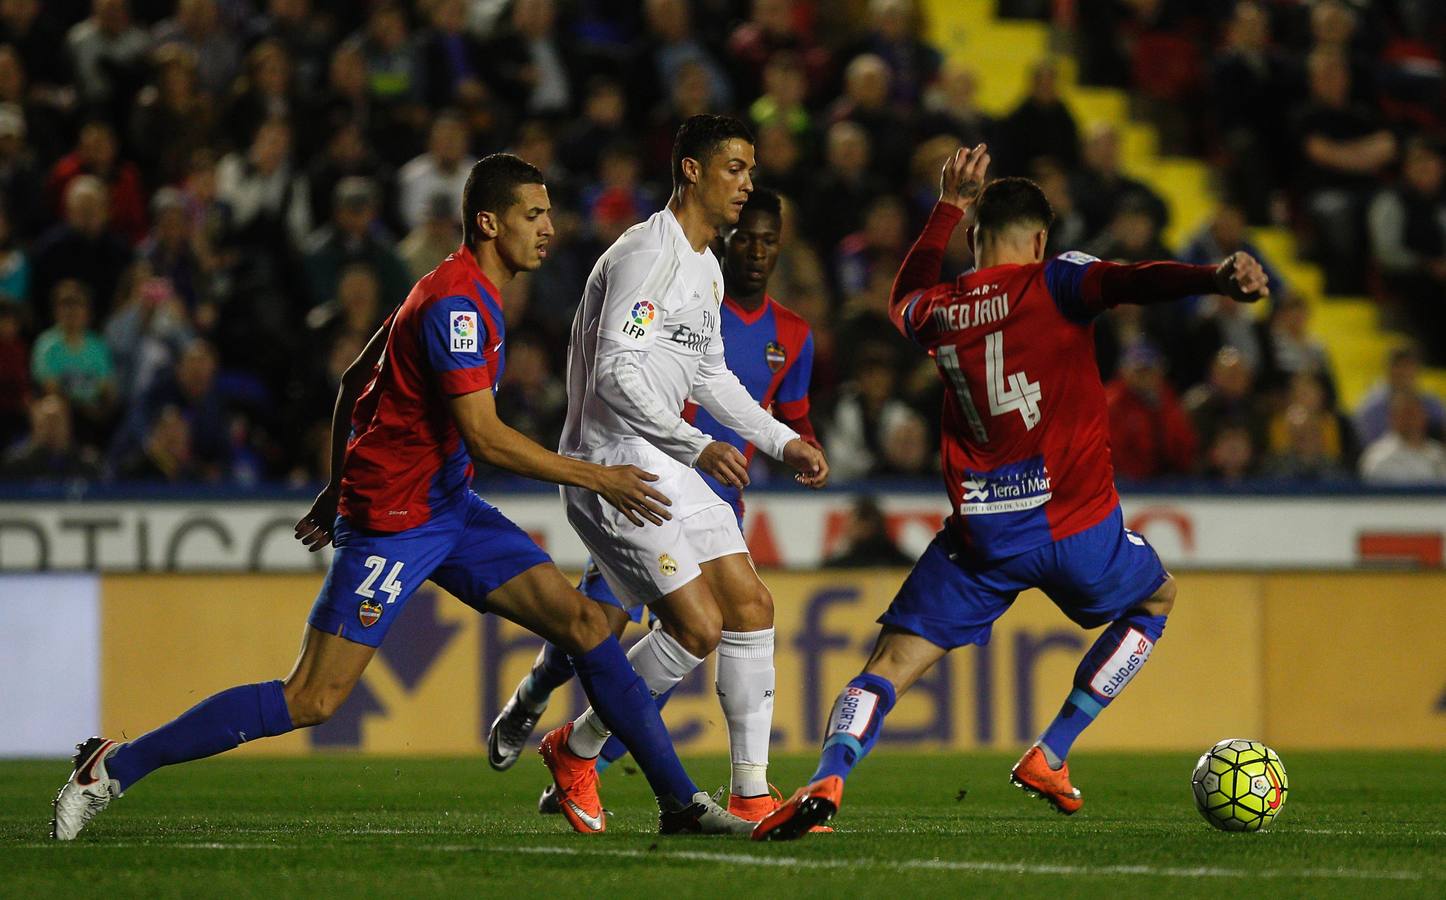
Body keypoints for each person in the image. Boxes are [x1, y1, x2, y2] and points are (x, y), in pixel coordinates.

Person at [51, 153, 753, 842]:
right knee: (312, 698)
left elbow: (356, 378)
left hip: (448, 507)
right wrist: (598, 476)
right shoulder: (455, 303)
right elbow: (484, 437)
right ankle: (110, 769)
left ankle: (679, 803)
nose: (548, 228)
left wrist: (334, 483)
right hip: (393, 521)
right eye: (532, 215)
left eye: (548, 213)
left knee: (587, 626)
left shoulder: (450, 286)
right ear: (487, 221)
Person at [753, 144, 1269, 841]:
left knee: (889, 668)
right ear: (1041, 239)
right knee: (1156, 598)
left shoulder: (940, 307)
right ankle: (1052, 752)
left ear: (974, 239)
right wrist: (1214, 277)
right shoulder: (1058, 282)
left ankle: (828, 776)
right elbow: (1133, 280)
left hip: (983, 540)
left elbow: (900, 299)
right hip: (1078, 529)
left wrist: (944, 206)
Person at [534, 116, 828, 835]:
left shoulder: (705, 265)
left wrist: (781, 439)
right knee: (697, 626)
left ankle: (753, 792)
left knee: (751, 606)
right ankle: (576, 750)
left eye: (751, 169)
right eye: (735, 168)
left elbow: (712, 374)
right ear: (691, 171)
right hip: (611, 467)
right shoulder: (647, 255)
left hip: (664, 458)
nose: (747, 183)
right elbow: (613, 372)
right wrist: (696, 445)